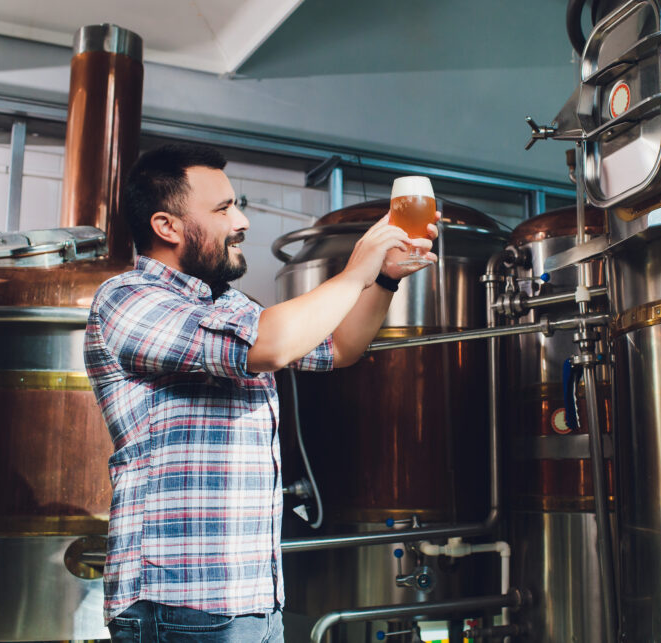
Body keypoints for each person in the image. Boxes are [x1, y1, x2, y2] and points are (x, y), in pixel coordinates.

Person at [83, 143, 437, 642]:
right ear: (167, 226)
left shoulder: (232, 305)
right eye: (224, 209)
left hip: (255, 601)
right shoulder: (128, 299)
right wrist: (355, 268)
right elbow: (268, 347)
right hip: (179, 605)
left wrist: (382, 278)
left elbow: (339, 348)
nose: (242, 221)